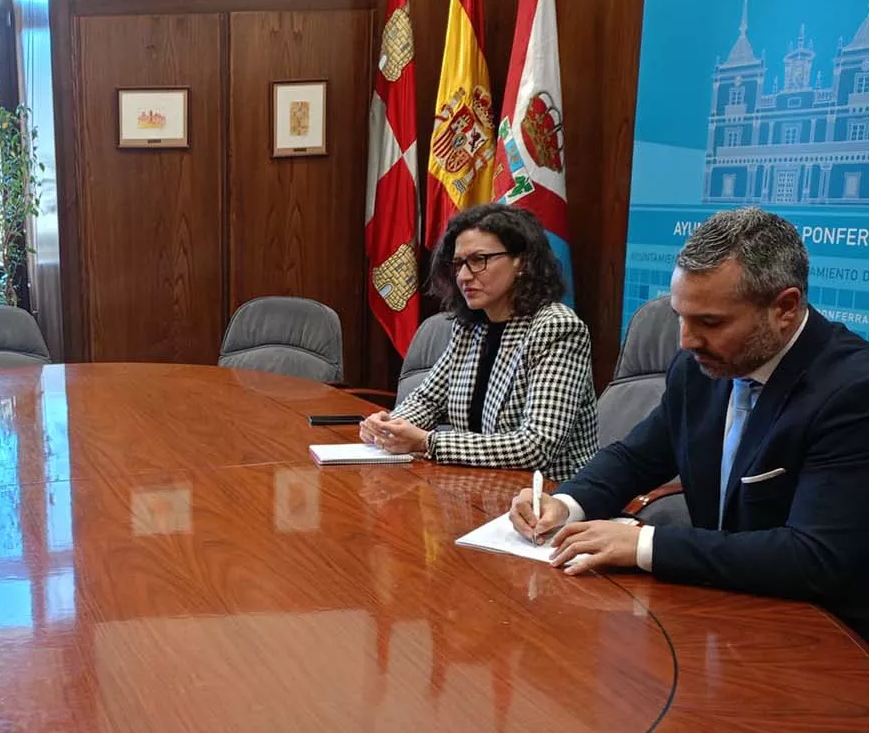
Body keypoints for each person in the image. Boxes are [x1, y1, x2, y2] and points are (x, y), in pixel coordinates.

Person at [510, 207, 869, 634]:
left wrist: (645, 544)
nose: (686, 340)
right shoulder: (698, 366)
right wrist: (566, 506)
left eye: (710, 322)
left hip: (822, 634)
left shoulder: (851, 390)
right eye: (680, 317)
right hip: (721, 609)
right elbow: (637, 456)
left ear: (785, 308)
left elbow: (815, 556)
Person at [361, 203, 598, 482]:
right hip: (481, 485)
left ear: (522, 262)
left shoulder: (557, 328)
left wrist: (427, 442)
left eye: (478, 260)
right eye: (459, 263)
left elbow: (536, 445)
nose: (463, 276)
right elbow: (428, 400)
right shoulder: (470, 326)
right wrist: (388, 427)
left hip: (547, 497)